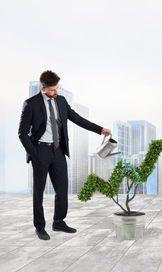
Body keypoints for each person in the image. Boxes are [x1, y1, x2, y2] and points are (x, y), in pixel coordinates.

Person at [18, 70, 112, 240]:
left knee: (62, 189)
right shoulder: (30, 104)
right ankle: (40, 227)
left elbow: (77, 118)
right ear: (43, 88)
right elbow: (22, 133)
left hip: (58, 151)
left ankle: (59, 221)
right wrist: (34, 154)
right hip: (41, 151)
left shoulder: (61, 101)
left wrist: (100, 130)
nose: (56, 92)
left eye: (57, 88)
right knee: (38, 192)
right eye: (53, 90)